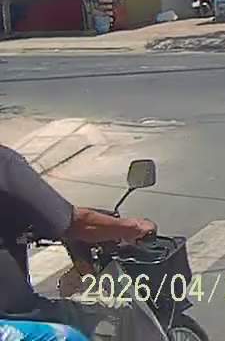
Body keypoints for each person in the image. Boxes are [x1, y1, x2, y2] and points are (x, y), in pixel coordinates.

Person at [1, 145, 157, 341]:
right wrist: (130, 228)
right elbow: (75, 223)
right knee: (114, 315)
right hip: (14, 317)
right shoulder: (4, 163)